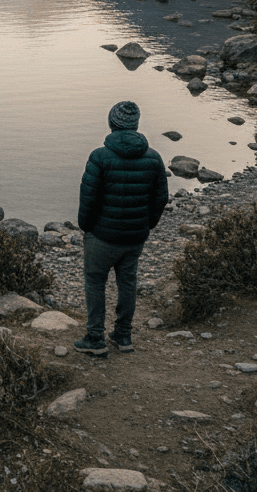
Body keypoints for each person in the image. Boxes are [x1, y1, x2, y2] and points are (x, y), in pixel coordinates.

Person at [75, 101, 168, 355]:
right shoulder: (154, 158)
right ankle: (123, 336)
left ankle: (95, 339)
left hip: (102, 236)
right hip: (135, 237)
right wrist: (146, 225)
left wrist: (87, 227)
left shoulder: (99, 156)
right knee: (127, 281)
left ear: (112, 124)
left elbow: (88, 198)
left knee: (95, 282)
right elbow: (160, 198)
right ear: (135, 125)